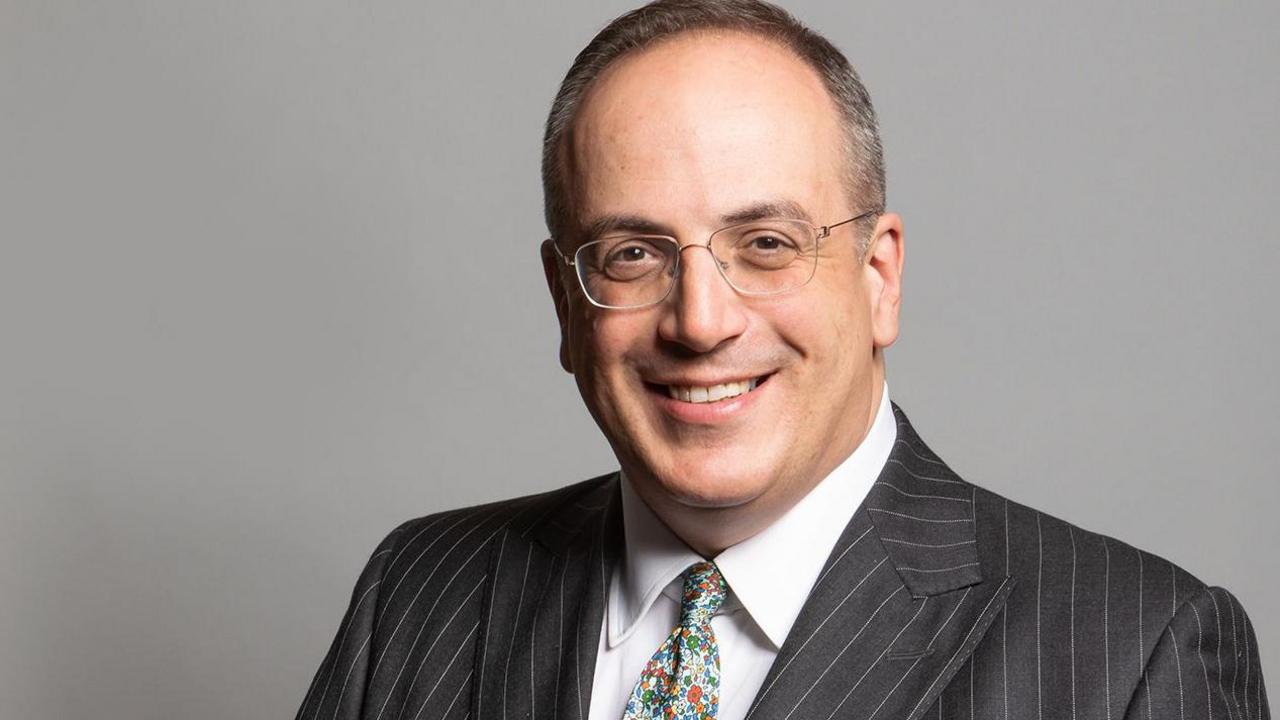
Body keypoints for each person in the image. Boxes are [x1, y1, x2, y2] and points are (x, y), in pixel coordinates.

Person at [295, 2, 1269, 718]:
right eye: (632, 254)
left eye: (765, 242)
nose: (701, 321)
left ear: (877, 276)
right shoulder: (418, 593)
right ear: (564, 301)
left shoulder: (1129, 656)